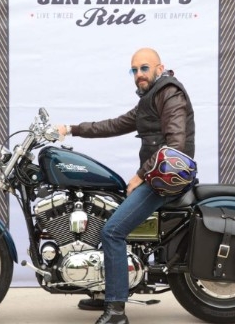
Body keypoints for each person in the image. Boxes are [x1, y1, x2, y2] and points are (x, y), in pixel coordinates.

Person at [58, 47, 195, 324]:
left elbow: (175, 146)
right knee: (104, 214)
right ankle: (102, 289)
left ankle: (116, 312)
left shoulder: (169, 94)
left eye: (144, 68)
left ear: (159, 68)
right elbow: (114, 125)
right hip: (157, 177)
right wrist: (71, 129)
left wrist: (142, 175)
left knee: (112, 232)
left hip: (165, 181)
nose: (139, 74)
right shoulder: (150, 99)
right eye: (134, 70)